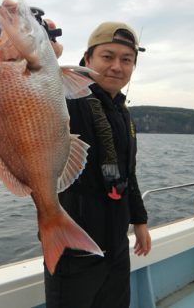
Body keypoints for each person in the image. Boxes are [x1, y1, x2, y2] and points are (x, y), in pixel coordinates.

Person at [44, 21, 152, 308]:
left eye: (126, 60)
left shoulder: (122, 112)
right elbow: (35, 83)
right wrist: (43, 47)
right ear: (87, 58)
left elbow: (128, 173)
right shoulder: (69, 98)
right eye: (108, 56)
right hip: (74, 250)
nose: (117, 66)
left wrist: (139, 220)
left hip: (116, 246)